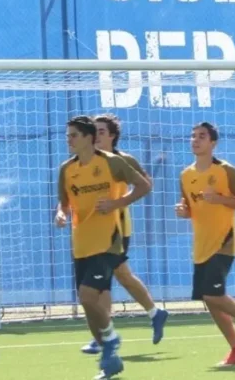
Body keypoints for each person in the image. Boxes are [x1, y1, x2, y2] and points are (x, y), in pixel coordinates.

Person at [55, 116, 151, 379]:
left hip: (108, 242)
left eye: (73, 135)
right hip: (81, 243)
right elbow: (63, 203)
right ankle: (110, 361)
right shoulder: (66, 169)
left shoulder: (111, 162)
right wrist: (61, 214)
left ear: (88, 138)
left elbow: (144, 185)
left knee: (87, 296)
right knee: (88, 304)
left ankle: (110, 340)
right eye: (68, 135)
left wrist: (117, 203)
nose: (69, 139)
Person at [79, 114, 168, 355]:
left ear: (112, 136)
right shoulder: (85, 161)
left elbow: (146, 183)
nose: (96, 136)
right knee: (119, 277)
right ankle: (154, 313)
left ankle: (103, 338)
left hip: (117, 230)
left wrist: (118, 203)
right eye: (93, 131)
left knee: (104, 284)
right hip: (93, 231)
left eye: (101, 132)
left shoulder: (122, 160)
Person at [176, 122, 235, 366]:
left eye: (201, 136)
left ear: (213, 143)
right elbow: (190, 207)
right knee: (208, 298)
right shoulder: (186, 175)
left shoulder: (225, 170)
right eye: (193, 136)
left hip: (224, 241)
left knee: (212, 293)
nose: (195, 140)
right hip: (201, 245)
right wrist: (183, 211)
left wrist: (220, 199)